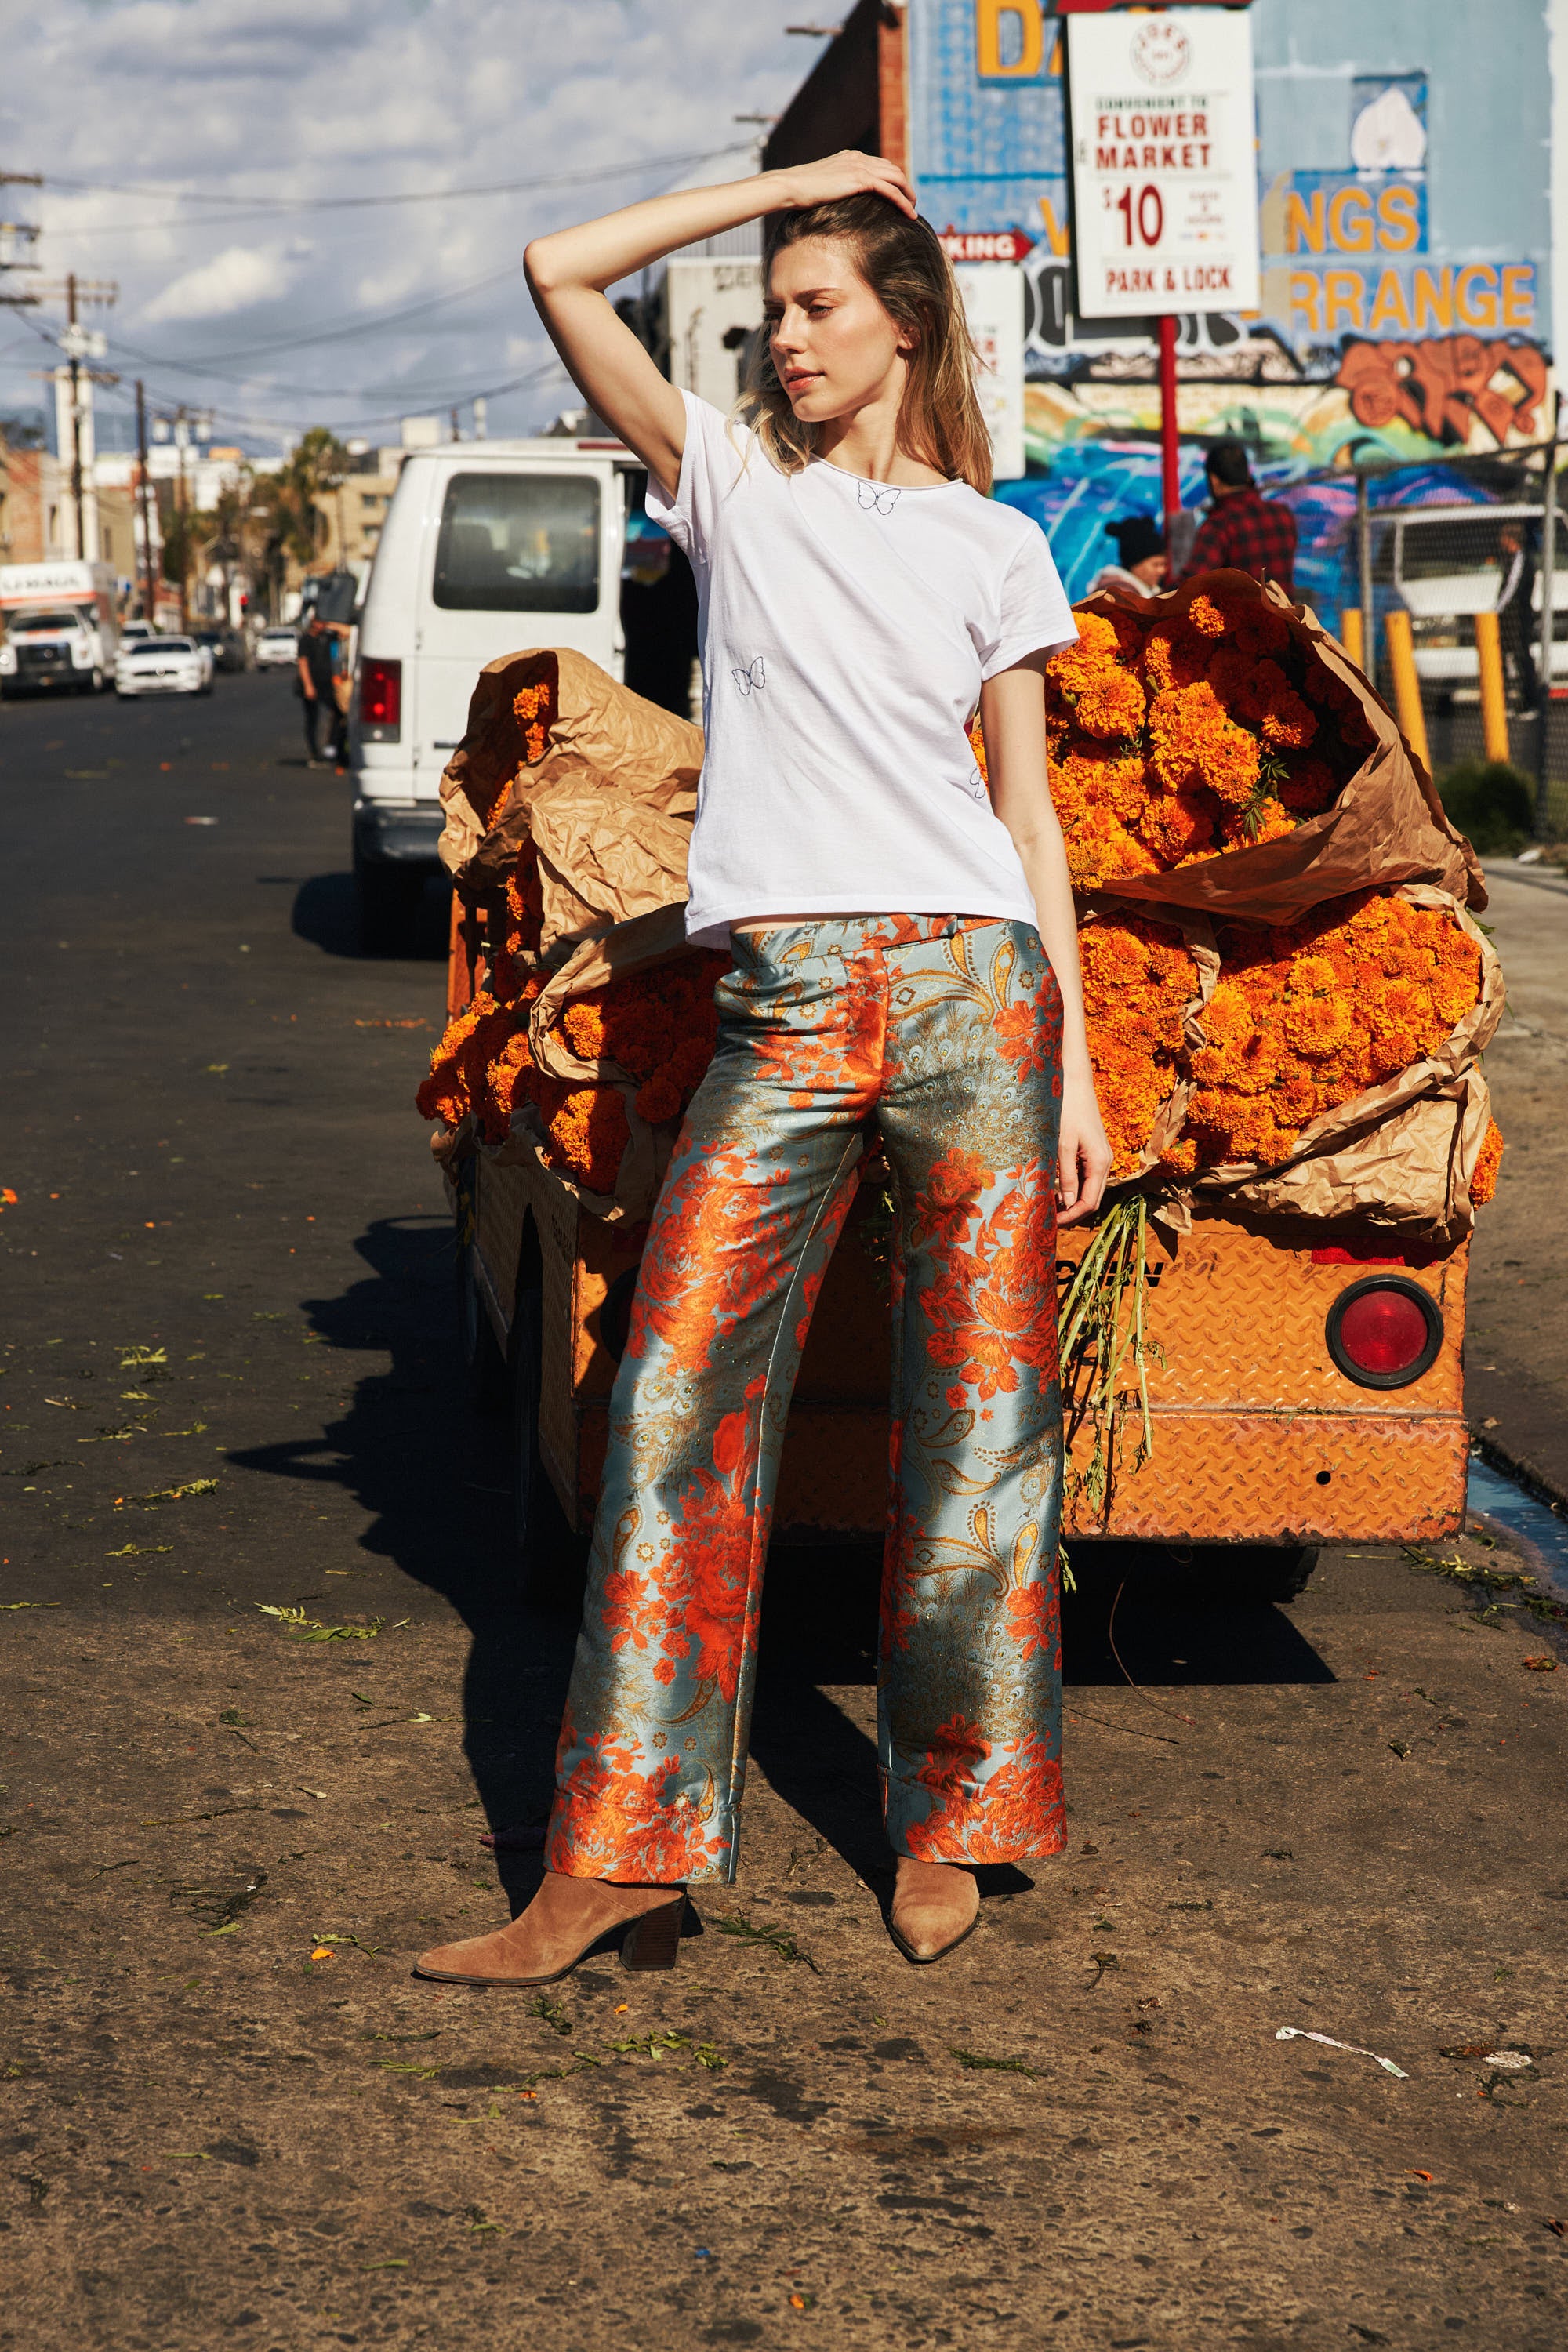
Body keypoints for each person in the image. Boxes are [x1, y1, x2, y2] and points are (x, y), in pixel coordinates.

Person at [414, 150, 1112, 1991]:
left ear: (903, 327)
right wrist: (782, 186)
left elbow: (1025, 821)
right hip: (791, 1006)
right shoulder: (728, 486)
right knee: (664, 1407)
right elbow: (557, 263)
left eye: (815, 305)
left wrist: (1082, 1073)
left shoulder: (993, 542)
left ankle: (953, 1813)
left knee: (978, 1436)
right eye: (773, 308)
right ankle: (617, 1851)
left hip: (976, 993)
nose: (782, 335)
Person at [1177, 441, 1297, 595]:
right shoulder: (1282, 514)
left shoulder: (1220, 523)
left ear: (1213, 480)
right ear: (1247, 475)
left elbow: (1192, 584)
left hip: (1243, 618)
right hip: (1284, 617)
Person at [296, 613, 344, 768]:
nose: (321, 625)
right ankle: (314, 754)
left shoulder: (329, 638)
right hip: (312, 682)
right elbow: (303, 663)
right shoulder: (306, 640)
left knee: (339, 713)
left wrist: (331, 625)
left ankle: (333, 748)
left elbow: (346, 634)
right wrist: (308, 685)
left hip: (328, 683)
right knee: (312, 719)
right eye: (319, 622)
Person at [1088, 514, 1167, 597]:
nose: (1162, 571)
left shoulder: (1144, 590)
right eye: (1156, 565)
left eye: (1164, 564)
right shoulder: (1119, 594)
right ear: (1134, 563)